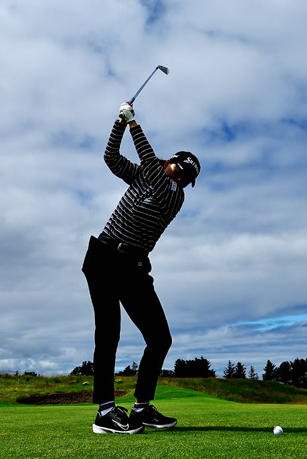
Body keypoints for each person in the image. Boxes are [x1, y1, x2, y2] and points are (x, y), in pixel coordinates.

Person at [82, 101, 201, 435]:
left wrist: (134, 122)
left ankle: (141, 408)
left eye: (184, 176)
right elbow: (111, 158)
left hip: (133, 267)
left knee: (159, 338)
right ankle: (105, 413)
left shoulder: (172, 196)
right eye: (177, 168)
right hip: (105, 258)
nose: (178, 176)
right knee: (109, 334)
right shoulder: (145, 176)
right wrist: (119, 123)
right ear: (170, 163)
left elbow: (148, 163)